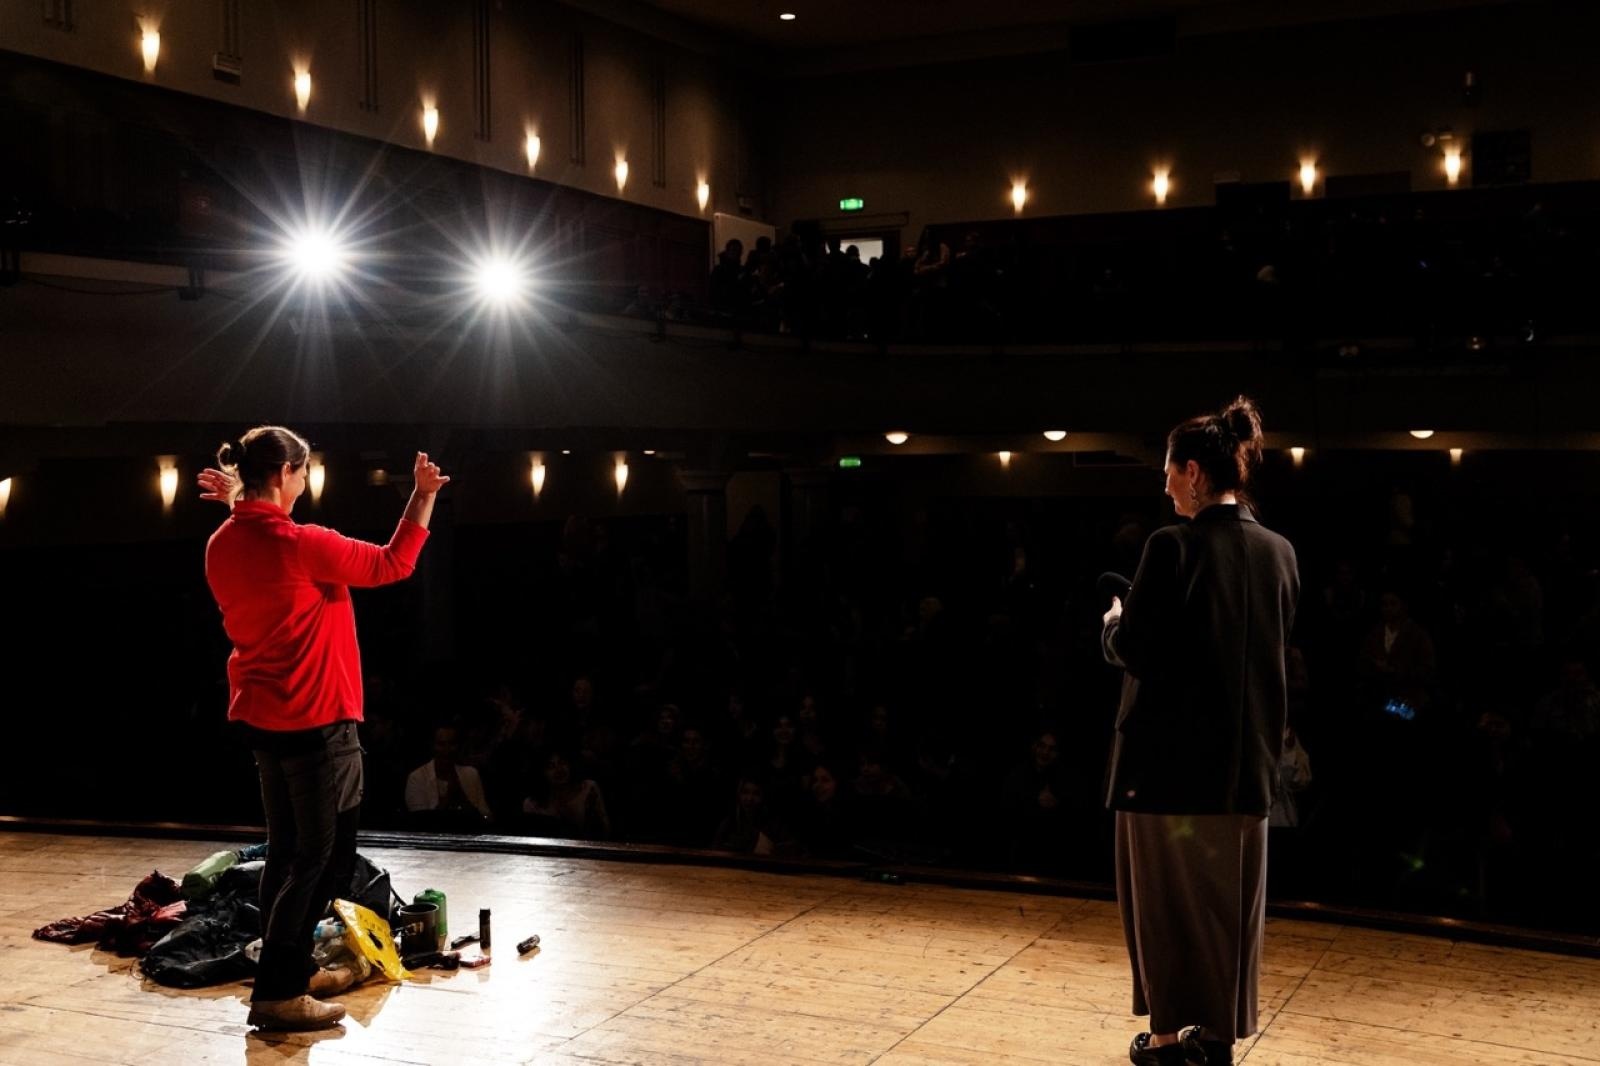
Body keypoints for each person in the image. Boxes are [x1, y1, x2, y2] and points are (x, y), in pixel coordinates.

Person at [199, 428, 448, 1032]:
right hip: (319, 722)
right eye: (303, 471)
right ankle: (280, 992)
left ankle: (282, 972)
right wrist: (422, 496)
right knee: (322, 863)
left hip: (265, 721)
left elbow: (253, 522)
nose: (307, 481)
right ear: (285, 472)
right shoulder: (303, 543)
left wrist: (241, 496)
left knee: (287, 857)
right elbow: (396, 562)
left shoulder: (222, 543)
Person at [1100, 397, 1298, 1066]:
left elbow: (1142, 651)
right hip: (1245, 769)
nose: (1162, 484)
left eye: (1165, 470)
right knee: (1229, 912)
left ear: (1191, 471)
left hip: (1164, 772)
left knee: (1161, 909)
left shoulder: (1170, 546)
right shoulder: (1280, 554)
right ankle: (1214, 1038)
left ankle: (1161, 1039)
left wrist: (1113, 624)